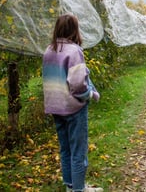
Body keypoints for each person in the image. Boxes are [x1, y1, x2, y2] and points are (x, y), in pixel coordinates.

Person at [42, 13, 103, 192]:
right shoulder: (74, 51)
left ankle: (71, 186)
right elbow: (78, 84)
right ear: (74, 30)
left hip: (55, 106)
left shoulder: (48, 50)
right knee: (78, 151)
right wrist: (90, 95)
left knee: (65, 149)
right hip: (73, 108)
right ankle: (79, 189)